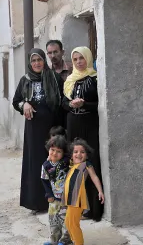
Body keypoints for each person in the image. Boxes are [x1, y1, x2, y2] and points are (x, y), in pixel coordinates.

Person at [12, 48, 64, 213]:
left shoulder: (54, 78)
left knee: (54, 161)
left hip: (52, 127)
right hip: (34, 129)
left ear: (44, 61)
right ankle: (37, 202)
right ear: (30, 63)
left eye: (39, 60)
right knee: (36, 162)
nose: (36, 63)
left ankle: (56, 200)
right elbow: (16, 101)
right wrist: (24, 104)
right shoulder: (25, 80)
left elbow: (61, 101)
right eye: (33, 61)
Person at [63, 46, 103, 221]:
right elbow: (63, 103)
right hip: (74, 125)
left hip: (89, 125)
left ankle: (92, 209)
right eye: (76, 59)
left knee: (89, 164)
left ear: (88, 58)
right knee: (75, 166)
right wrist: (71, 104)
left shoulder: (95, 79)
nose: (79, 62)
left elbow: (100, 104)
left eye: (82, 58)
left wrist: (84, 104)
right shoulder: (70, 80)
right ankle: (76, 207)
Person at [62, 139, 105, 245]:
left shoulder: (86, 165)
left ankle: (78, 243)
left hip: (77, 200)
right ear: (71, 155)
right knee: (68, 223)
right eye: (75, 152)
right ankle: (74, 241)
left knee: (73, 224)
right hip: (70, 200)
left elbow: (94, 177)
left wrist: (100, 191)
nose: (79, 154)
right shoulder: (72, 166)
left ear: (86, 155)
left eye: (82, 152)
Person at [41, 136, 71, 245]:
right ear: (48, 149)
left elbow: (69, 157)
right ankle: (54, 241)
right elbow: (45, 180)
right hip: (54, 199)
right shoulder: (46, 165)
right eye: (52, 150)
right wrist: (49, 194)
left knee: (66, 221)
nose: (54, 153)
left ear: (63, 153)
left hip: (66, 199)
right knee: (53, 221)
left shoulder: (65, 163)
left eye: (58, 151)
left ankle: (65, 241)